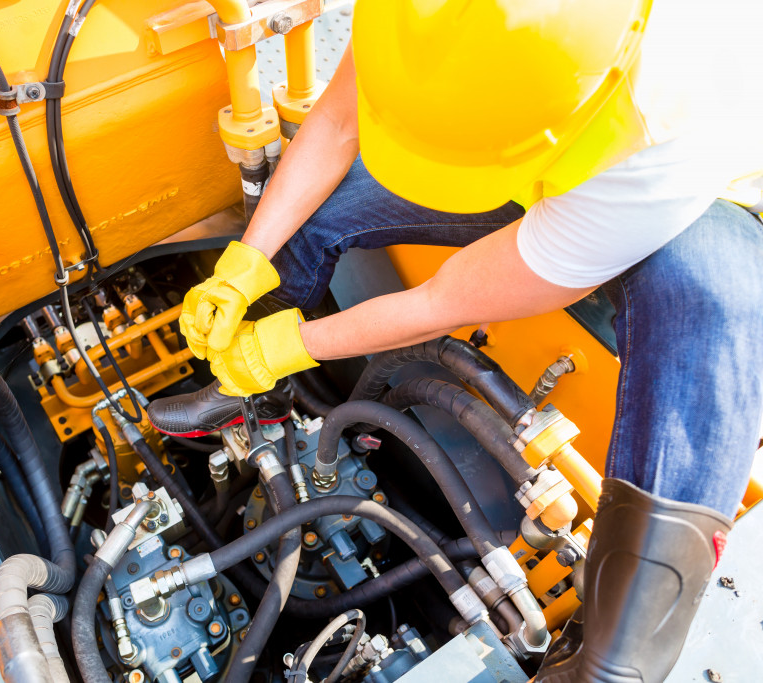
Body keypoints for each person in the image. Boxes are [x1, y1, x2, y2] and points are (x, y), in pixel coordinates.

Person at [148, 2, 763, 680]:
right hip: (524, 139)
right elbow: (338, 119)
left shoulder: (672, 110)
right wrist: (247, 263)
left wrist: (290, 344)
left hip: (676, 199)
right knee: (310, 208)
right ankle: (246, 397)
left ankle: (613, 664)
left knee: (707, 300)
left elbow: (443, 301)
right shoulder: (434, 22)